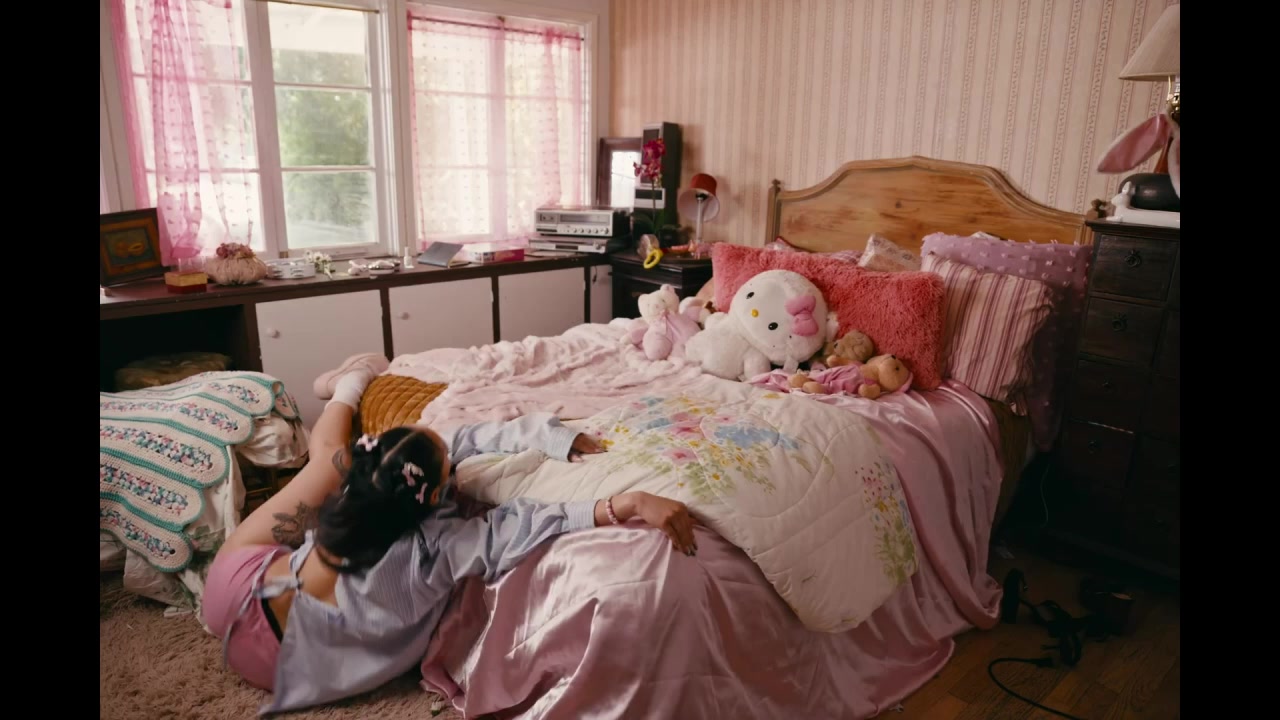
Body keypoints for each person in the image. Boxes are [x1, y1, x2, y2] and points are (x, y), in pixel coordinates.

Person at [201, 353, 698, 715]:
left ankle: (348, 387)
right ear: (436, 493)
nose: (455, 447)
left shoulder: (363, 487)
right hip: (287, 668)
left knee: (327, 460)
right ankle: (351, 380)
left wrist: (548, 434)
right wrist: (626, 503)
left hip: (229, 597)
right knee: (328, 461)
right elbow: (525, 522)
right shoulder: (441, 548)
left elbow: (457, 440)